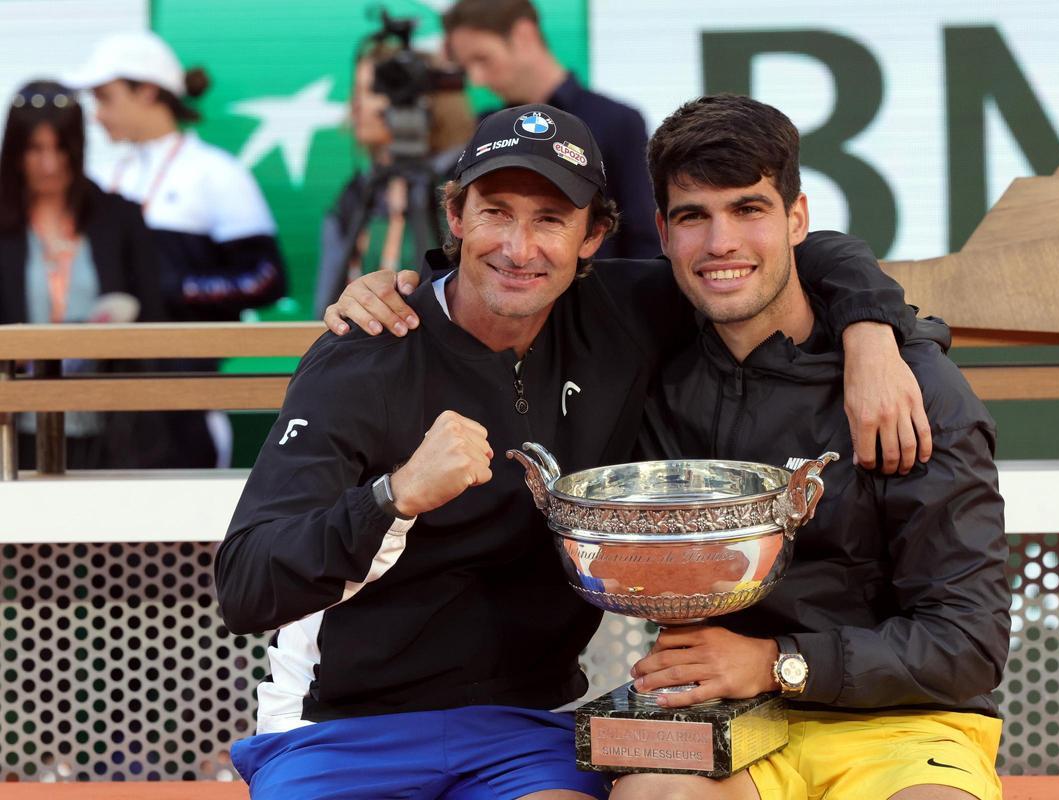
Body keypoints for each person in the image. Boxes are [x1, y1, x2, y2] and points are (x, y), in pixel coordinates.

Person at [219, 103, 927, 799]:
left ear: (595, 235)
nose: (520, 248)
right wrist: (394, 497)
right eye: (496, 212)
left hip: (526, 726)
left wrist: (869, 329)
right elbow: (247, 584)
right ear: (455, 216)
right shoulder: (368, 353)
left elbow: (787, 255)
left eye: (551, 219)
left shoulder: (625, 311)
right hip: (340, 728)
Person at [611, 95, 1009, 800]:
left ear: (797, 218)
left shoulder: (912, 390)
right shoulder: (648, 354)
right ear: (662, 232)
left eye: (748, 209)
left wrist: (775, 662)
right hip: (728, 722)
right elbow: (505, 288)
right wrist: (381, 294)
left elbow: (967, 645)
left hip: (903, 727)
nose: (720, 243)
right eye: (693, 216)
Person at [65, 31, 288, 467]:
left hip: (185, 399)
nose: (97, 115)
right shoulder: (104, 178)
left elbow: (266, 277)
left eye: (105, 98)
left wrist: (168, 289)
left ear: (147, 92)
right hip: (98, 399)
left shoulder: (216, 174)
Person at [0, 79, 168, 469]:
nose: (50, 164)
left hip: (112, 432)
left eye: (61, 148)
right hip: (14, 433)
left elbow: (156, 324)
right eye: (35, 149)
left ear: (78, 147)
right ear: (14, 152)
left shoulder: (119, 218)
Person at [442, 0, 660, 260]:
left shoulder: (617, 120)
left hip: (599, 293)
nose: (476, 79)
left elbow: (641, 235)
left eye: (482, 58)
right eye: (467, 68)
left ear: (523, 35)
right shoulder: (484, 127)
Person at [313, 37, 476, 316]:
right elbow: (325, 307)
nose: (355, 106)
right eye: (356, 91)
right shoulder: (356, 194)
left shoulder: (460, 185)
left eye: (373, 90)